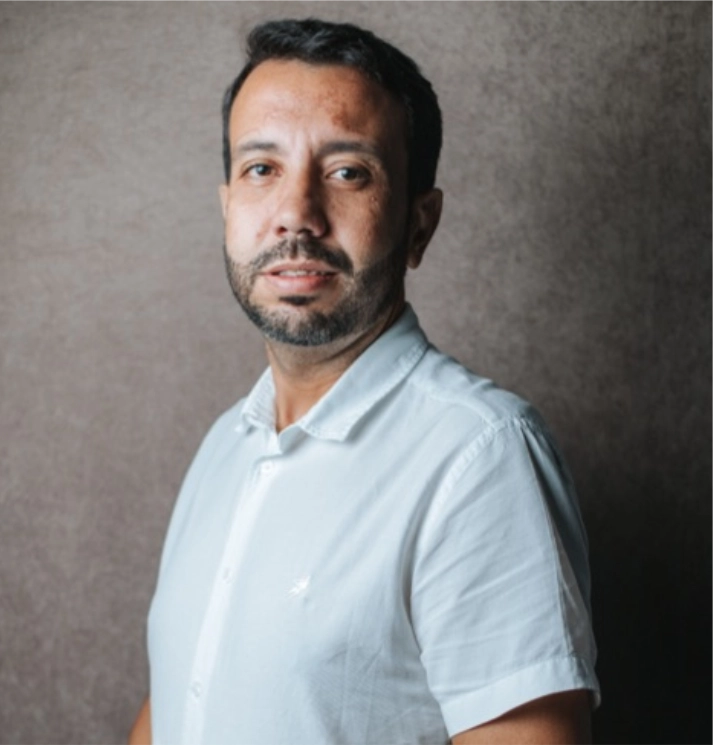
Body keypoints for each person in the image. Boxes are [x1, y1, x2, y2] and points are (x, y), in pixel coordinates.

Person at [129, 18, 599, 745]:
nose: (295, 214)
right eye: (261, 169)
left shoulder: (479, 456)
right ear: (227, 209)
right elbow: (177, 704)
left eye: (348, 172)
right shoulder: (225, 447)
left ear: (419, 224)